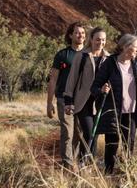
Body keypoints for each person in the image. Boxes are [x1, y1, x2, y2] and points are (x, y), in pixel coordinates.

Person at [91, 33, 137, 173]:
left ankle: (128, 174)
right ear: (126, 47)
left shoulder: (135, 64)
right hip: (114, 112)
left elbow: (134, 88)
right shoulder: (110, 63)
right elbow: (94, 87)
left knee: (129, 146)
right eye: (136, 48)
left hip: (131, 112)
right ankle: (108, 175)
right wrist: (102, 89)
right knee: (112, 146)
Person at [61, 26, 112, 167]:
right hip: (83, 102)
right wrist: (68, 101)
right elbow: (71, 80)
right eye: (97, 40)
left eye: (103, 40)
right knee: (89, 133)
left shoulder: (108, 58)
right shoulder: (82, 55)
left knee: (94, 135)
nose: (100, 43)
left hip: (100, 102)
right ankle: (84, 163)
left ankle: (88, 165)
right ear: (91, 39)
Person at [47, 21, 86, 169]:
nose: (80, 35)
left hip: (83, 101)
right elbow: (53, 80)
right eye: (77, 32)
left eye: (82, 33)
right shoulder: (62, 55)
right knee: (67, 133)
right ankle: (68, 166)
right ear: (70, 35)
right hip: (64, 99)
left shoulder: (89, 54)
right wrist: (49, 103)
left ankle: (75, 162)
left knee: (79, 133)